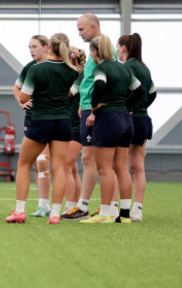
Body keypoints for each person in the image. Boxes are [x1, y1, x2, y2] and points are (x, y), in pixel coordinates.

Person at [6, 33, 79, 225]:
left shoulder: (36, 70)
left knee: (23, 164)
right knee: (60, 168)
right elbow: (71, 91)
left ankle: (20, 211)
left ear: (48, 47)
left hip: (40, 121)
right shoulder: (72, 71)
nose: (31, 50)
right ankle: (55, 214)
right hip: (63, 122)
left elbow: (22, 97)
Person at [80, 35, 143, 224]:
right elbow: (139, 90)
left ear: (95, 51)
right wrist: (124, 103)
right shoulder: (124, 69)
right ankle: (124, 215)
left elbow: (99, 85)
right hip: (125, 119)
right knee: (121, 168)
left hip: (108, 119)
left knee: (105, 168)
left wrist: (94, 107)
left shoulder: (101, 68)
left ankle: (105, 213)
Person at [62, 13, 118, 220]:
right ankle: (95, 206)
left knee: (100, 161)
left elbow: (107, 83)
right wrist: (81, 100)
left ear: (94, 28)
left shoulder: (105, 51)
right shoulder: (95, 51)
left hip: (95, 111)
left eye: (81, 29)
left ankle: (99, 207)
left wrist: (94, 110)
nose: (79, 33)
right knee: (90, 160)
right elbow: (86, 80)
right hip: (86, 108)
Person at [117, 33, 156, 222]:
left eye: (118, 47)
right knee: (138, 167)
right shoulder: (144, 67)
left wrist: (128, 108)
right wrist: (141, 107)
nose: (116, 50)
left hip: (129, 121)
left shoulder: (127, 67)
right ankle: (137, 209)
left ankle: (117, 206)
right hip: (143, 120)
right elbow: (152, 93)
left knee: (119, 166)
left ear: (123, 48)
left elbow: (132, 90)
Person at [13, 35, 51, 218]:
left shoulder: (56, 66)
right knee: (40, 162)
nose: (31, 50)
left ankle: (70, 206)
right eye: (29, 47)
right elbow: (16, 88)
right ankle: (44, 205)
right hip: (34, 120)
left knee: (65, 165)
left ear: (46, 47)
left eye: (35, 46)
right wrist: (21, 102)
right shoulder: (29, 67)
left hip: (57, 120)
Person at [61, 47, 86, 217]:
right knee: (73, 169)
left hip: (75, 125)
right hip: (70, 123)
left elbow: (67, 93)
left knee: (67, 166)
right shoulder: (73, 74)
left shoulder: (79, 75)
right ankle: (76, 207)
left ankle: (70, 206)